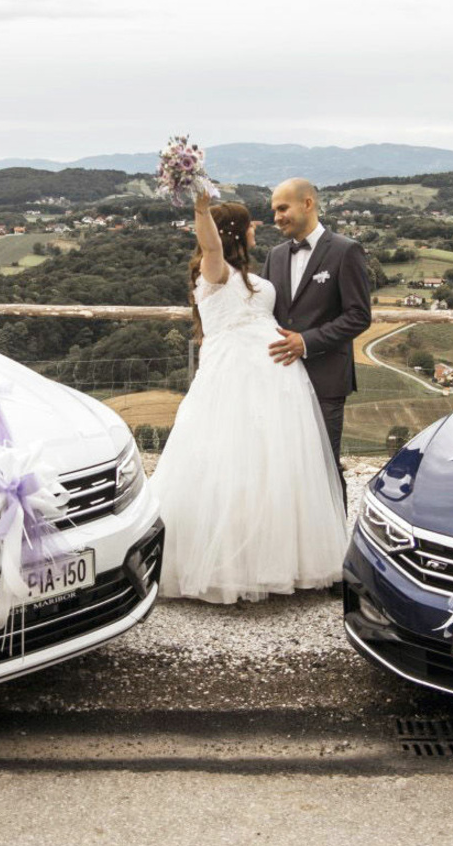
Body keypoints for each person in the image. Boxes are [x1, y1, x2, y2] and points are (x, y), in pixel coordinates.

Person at [150, 192, 348, 603]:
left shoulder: (251, 274)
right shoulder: (216, 271)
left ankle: (277, 561)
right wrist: (202, 211)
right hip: (232, 377)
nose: (261, 225)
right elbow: (208, 245)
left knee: (272, 467)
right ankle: (227, 565)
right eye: (252, 223)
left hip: (276, 379)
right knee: (230, 462)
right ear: (236, 231)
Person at [265, 178, 373, 477]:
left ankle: (337, 525)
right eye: (274, 210)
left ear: (308, 204)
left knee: (322, 470)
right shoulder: (274, 255)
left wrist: (307, 341)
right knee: (285, 468)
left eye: (283, 208)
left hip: (325, 380)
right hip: (281, 379)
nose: (276, 217)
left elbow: (359, 315)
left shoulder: (345, 250)